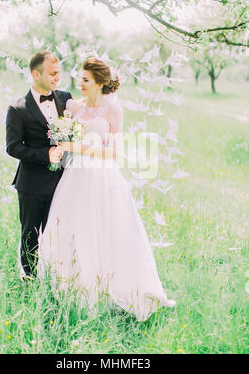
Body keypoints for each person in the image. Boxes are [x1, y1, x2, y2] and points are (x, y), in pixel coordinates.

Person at [37, 57, 175, 321]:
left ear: (100, 84)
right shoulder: (73, 106)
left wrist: (79, 147)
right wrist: (63, 139)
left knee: (108, 229)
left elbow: (113, 152)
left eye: (86, 80)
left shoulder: (114, 111)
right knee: (74, 226)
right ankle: (73, 286)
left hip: (102, 177)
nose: (80, 84)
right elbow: (63, 137)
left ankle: (109, 287)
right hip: (75, 176)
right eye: (81, 79)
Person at [6, 51, 72, 281]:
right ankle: (30, 279)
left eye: (59, 73)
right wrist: (47, 154)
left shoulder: (66, 99)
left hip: (63, 182)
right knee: (31, 235)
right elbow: (13, 147)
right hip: (32, 184)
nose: (57, 78)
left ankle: (58, 279)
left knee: (59, 234)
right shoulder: (18, 108)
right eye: (52, 73)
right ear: (36, 74)